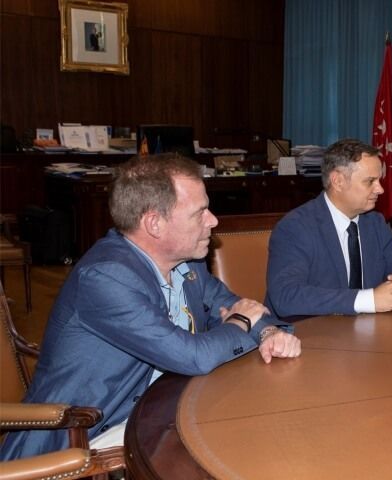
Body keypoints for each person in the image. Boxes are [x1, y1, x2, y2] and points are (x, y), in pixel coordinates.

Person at [0, 154, 301, 460]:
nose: (213, 221)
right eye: (200, 213)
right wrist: (240, 324)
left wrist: (269, 333)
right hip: (87, 433)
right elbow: (193, 355)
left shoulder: (188, 264)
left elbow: (236, 306)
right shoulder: (107, 278)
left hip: (163, 409)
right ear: (154, 223)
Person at [266, 139, 392, 317]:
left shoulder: (375, 223)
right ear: (338, 181)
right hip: (308, 335)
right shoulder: (295, 227)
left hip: (367, 333)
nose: (381, 189)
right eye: (370, 181)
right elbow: (286, 296)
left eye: (379, 180)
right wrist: (370, 300)